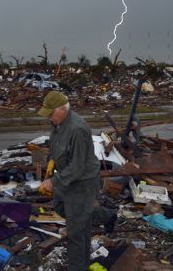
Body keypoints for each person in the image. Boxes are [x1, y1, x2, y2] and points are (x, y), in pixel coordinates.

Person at [37, 91, 117, 271]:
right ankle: (107, 215)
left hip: (83, 181)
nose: (49, 118)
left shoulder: (77, 129)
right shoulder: (57, 123)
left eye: (51, 114)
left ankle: (78, 267)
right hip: (67, 176)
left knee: (76, 232)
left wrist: (53, 181)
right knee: (60, 207)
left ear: (62, 109)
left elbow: (77, 167)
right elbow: (55, 146)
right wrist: (51, 163)